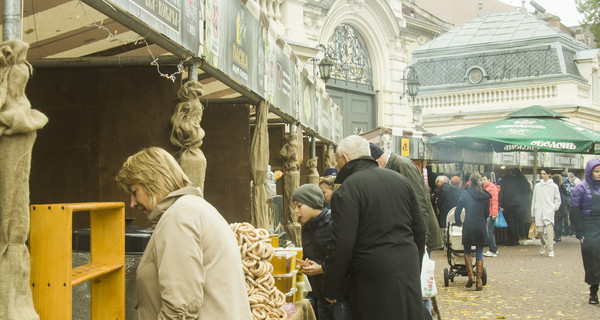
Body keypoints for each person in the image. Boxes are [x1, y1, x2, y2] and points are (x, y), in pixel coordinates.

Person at [115, 147, 251, 319]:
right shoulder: (194, 208)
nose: (132, 203)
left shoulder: (178, 216)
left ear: (154, 180)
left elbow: (181, 308)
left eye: (135, 192)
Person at [323, 135, 427, 320]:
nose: (337, 165)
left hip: (371, 277)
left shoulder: (347, 190)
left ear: (345, 158)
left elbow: (341, 245)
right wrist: (413, 264)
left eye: (337, 160)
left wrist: (331, 287)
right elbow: (420, 230)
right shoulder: (400, 181)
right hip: (407, 268)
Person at [293, 184, 351, 320]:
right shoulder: (306, 228)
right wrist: (305, 264)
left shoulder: (334, 223)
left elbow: (344, 257)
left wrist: (321, 268)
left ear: (312, 203)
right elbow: (311, 256)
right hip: (320, 296)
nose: (295, 211)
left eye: (299, 206)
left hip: (339, 297)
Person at [369, 143, 443, 250]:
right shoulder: (394, 166)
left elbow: (420, 203)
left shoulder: (402, 165)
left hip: (420, 238)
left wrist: (423, 239)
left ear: (376, 162)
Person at [570, 158, 600, 305]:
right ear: (590, 172)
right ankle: (593, 290)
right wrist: (579, 231)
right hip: (589, 227)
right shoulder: (580, 188)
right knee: (592, 260)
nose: (599, 174)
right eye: (596, 171)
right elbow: (574, 210)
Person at [454, 172, 491, 291]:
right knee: (479, 252)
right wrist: (482, 219)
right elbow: (487, 213)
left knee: (467, 251)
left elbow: (457, 210)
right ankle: (479, 281)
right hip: (480, 225)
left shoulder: (465, 194)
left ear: (470, 182)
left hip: (469, 225)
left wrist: (459, 221)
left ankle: (470, 276)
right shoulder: (484, 195)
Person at [531, 168, 561, 258]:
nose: (542, 175)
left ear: (549, 174)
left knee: (549, 231)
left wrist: (554, 207)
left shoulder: (554, 186)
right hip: (539, 210)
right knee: (539, 231)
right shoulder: (537, 186)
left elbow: (558, 199)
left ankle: (551, 249)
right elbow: (534, 199)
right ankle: (543, 243)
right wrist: (533, 212)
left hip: (548, 211)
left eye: (544, 174)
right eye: (541, 174)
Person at [499, 168, 531, 245]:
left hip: (508, 203)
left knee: (510, 223)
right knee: (516, 222)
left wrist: (501, 204)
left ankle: (512, 240)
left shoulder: (504, 180)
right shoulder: (519, 180)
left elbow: (501, 192)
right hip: (518, 204)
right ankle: (516, 239)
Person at [482, 173, 500, 257]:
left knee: (489, 232)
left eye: (484, 179)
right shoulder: (487, 188)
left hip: (490, 213)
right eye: (482, 179)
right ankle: (493, 249)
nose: (483, 181)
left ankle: (492, 250)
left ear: (489, 180)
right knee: (489, 231)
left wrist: (494, 213)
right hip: (489, 212)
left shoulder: (491, 188)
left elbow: (494, 201)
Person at [552, 174, 569, 242]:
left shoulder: (553, 187)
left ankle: (557, 235)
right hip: (563, 207)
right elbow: (567, 196)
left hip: (556, 207)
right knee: (560, 222)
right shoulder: (562, 187)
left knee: (556, 222)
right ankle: (559, 235)